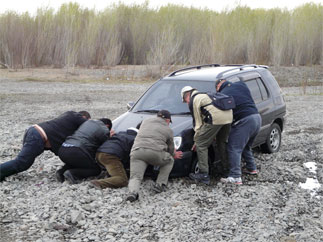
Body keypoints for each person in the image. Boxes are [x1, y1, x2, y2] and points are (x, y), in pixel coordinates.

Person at [0, 111, 91, 182]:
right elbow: (90, 125)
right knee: (22, 163)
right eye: (86, 120)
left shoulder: (65, 125)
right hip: (37, 136)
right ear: (83, 117)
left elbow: (63, 151)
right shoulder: (75, 116)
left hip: (35, 133)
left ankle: (4, 173)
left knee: (24, 163)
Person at [126, 110, 183, 202]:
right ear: (168, 120)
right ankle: (160, 185)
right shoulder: (168, 130)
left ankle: (133, 192)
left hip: (137, 151)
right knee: (170, 160)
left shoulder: (145, 121)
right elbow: (171, 148)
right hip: (155, 153)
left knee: (135, 176)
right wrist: (173, 154)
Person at [181, 86, 233, 185]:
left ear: (186, 95)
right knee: (221, 142)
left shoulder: (194, 100)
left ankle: (203, 174)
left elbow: (198, 123)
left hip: (216, 118)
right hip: (228, 117)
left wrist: (197, 139)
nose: (187, 103)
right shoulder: (204, 95)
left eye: (185, 101)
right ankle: (227, 170)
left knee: (201, 144)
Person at [216, 79, 262, 185]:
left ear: (219, 85)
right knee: (245, 146)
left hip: (244, 121)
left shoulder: (223, 94)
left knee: (234, 148)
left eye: (217, 88)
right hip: (256, 118)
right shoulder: (241, 85)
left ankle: (235, 176)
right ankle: (252, 168)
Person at [57, 118, 112, 184]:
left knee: (79, 162)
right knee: (96, 169)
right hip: (77, 150)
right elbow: (105, 148)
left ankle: (61, 172)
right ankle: (72, 173)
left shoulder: (87, 123)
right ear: (107, 126)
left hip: (63, 149)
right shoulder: (104, 129)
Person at [89, 124, 140, 189]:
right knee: (122, 180)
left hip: (99, 153)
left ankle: (109, 175)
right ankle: (99, 183)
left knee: (116, 167)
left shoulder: (121, 133)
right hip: (110, 156)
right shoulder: (136, 139)